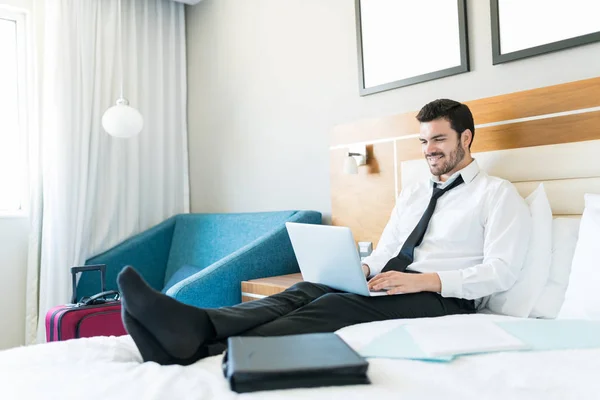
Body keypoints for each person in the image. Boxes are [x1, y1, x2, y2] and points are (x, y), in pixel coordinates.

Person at [117, 99, 532, 366]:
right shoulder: (414, 190)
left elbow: (501, 271)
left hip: (447, 301)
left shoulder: (497, 195)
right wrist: (361, 268)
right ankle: (198, 324)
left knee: (338, 307)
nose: (428, 150)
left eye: (438, 139)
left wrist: (424, 280)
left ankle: (209, 349)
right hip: (391, 284)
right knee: (308, 289)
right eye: (423, 141)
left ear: (466, 137)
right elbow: (390, 245)